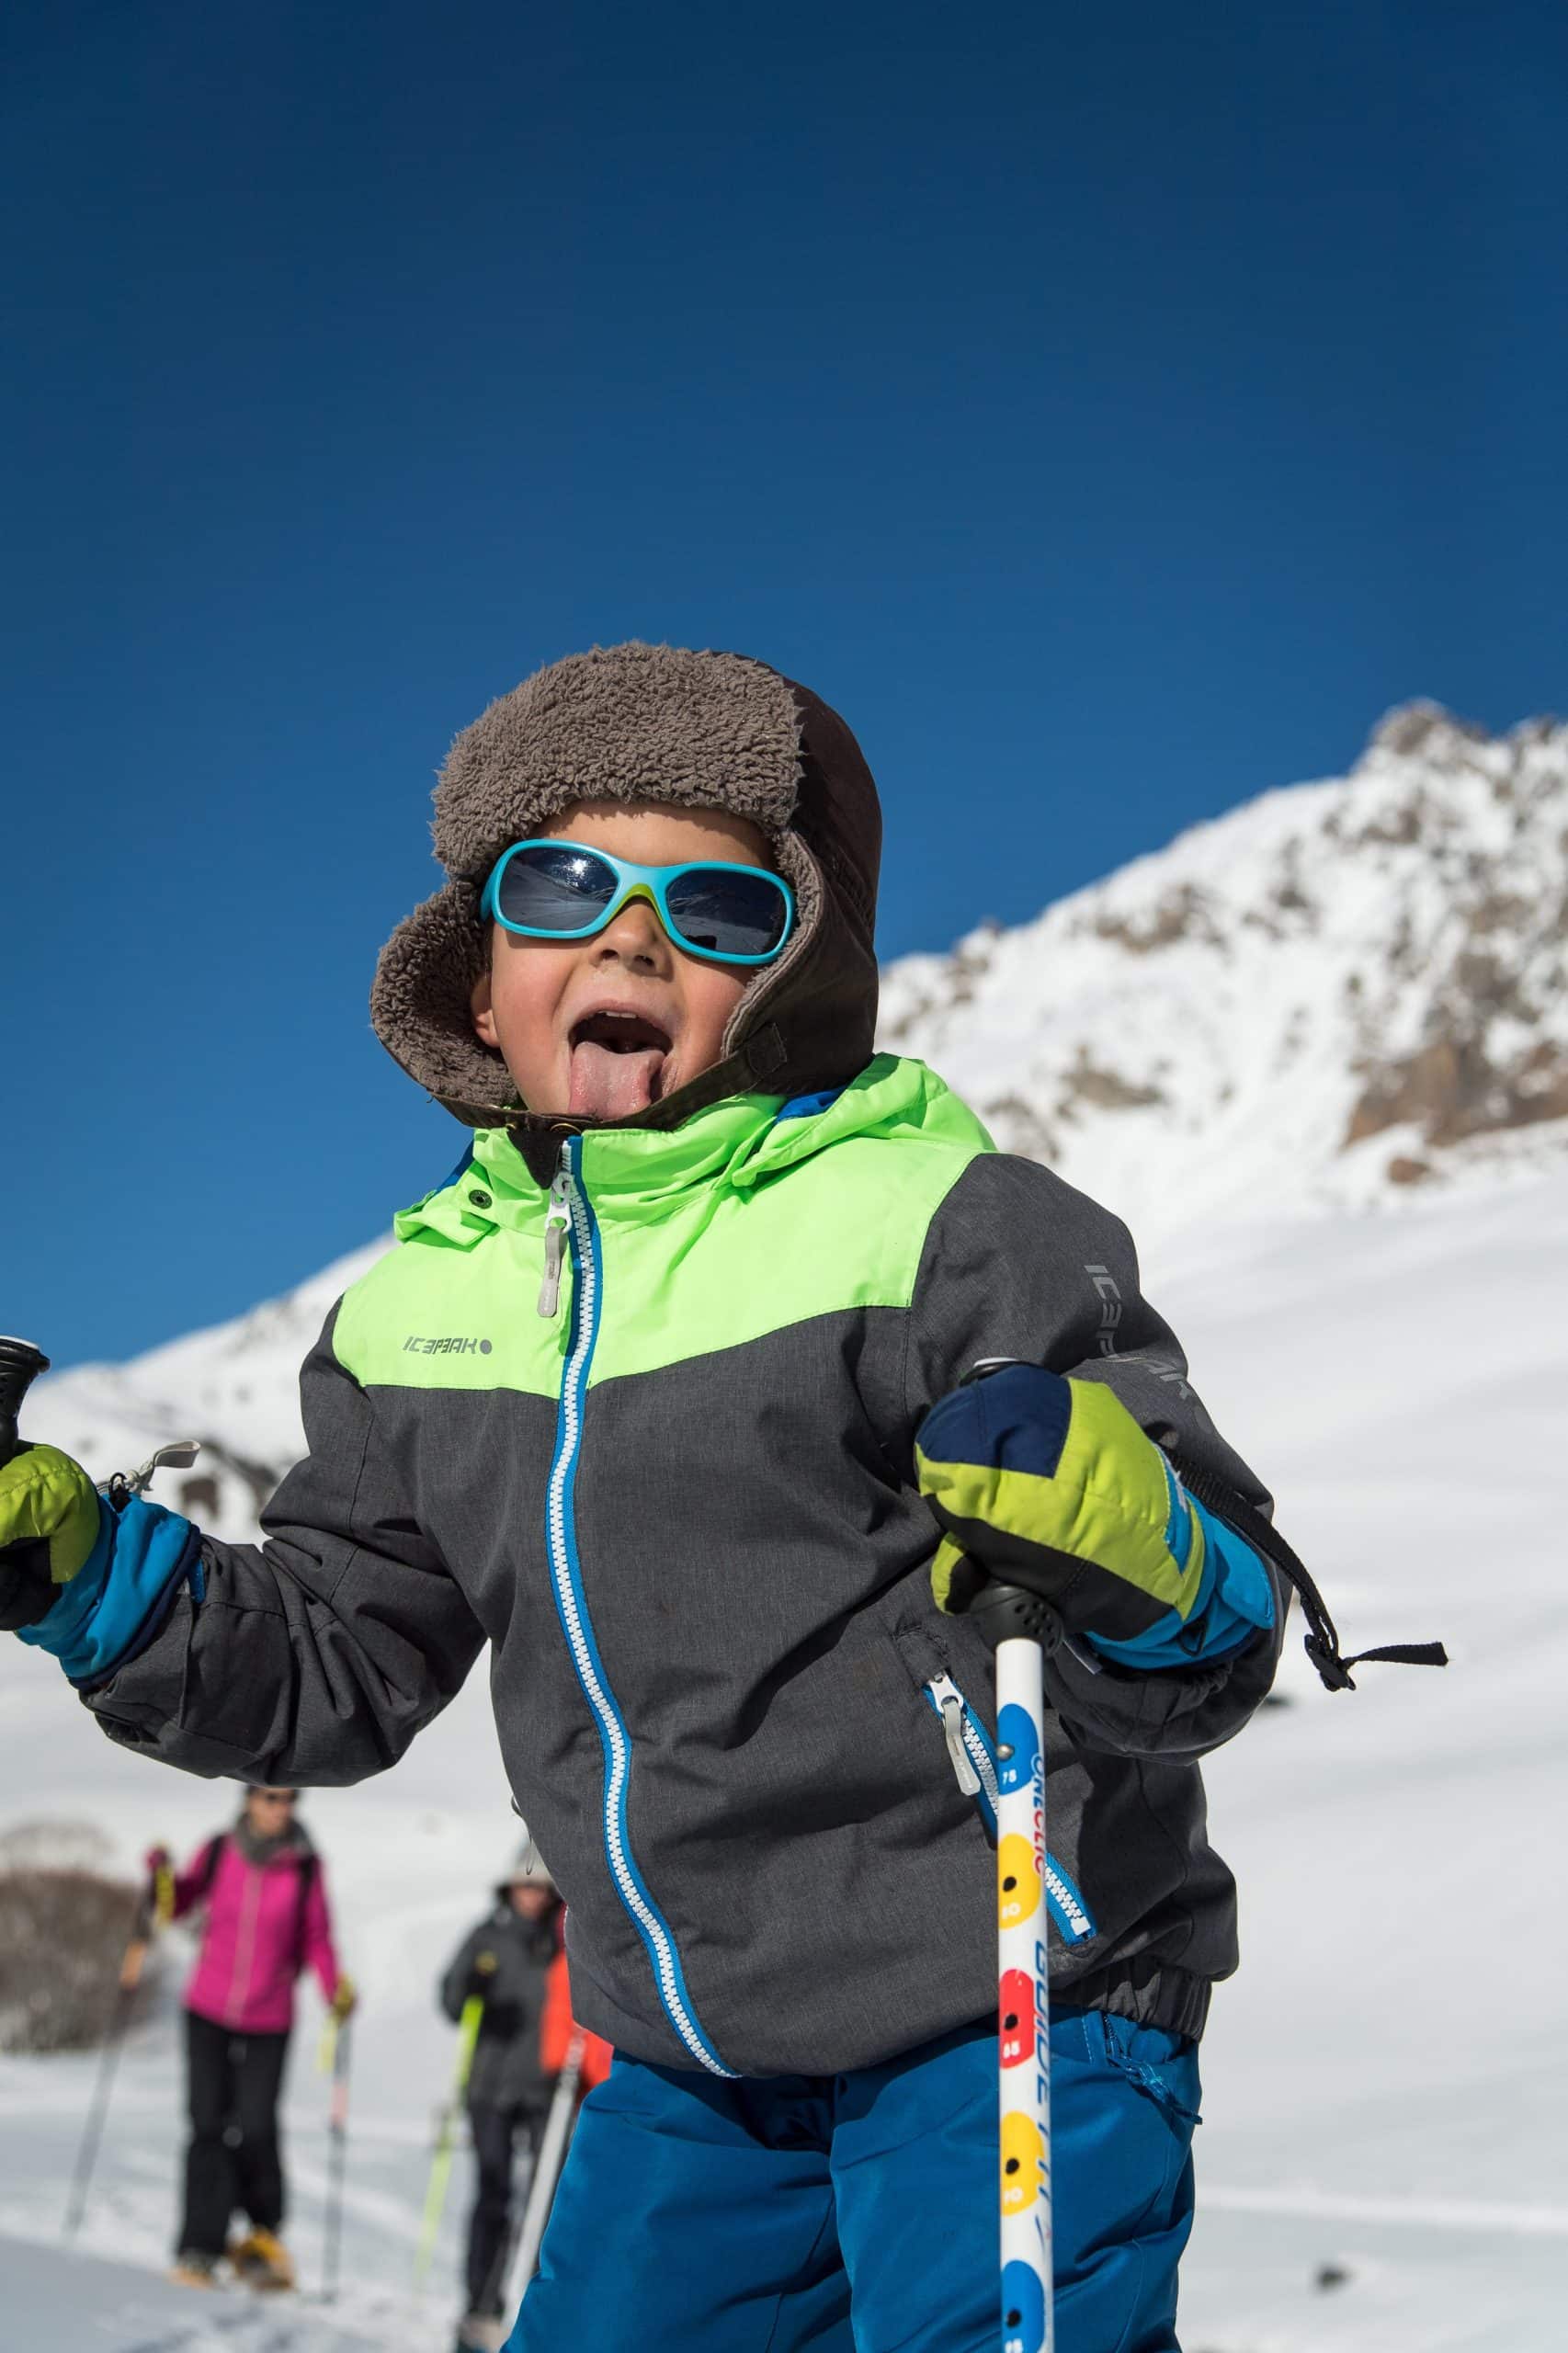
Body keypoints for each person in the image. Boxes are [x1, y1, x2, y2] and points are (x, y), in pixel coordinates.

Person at [2, 642, 1292, 2350]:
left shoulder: (941, 1223)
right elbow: (335, 1664)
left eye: (716, 910)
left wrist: (1135, 1549)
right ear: (477, 979)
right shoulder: (413, 1321)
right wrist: (88, 1571)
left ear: (787, 977)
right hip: (688, 2064)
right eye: (565, 885)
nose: (632, 938)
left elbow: (1219, 1627)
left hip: (1008, 2006)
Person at [150, 1786, 354, 2290]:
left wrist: (335, 1989)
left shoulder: (306, 1865)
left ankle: (263, 2239)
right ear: (248, 1800)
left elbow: (317, 1936)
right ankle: (200, 2245)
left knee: (258, 2125)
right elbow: (178, 1905)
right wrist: (160, 1878)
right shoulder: (220, 1849)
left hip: (269, 2015)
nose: (279, 1807)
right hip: (208, 2009)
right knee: (207, 2126)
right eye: (269, 1797)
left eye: (288, 1799)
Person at [438, 1843, 579, 2348]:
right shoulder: (487, 1936)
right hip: (490, 2090)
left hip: (547, 2091)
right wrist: (470, 1983)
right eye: (525, 1886)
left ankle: (532, 2306)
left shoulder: (567, 1941)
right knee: (493, 2194)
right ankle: (480, 2302)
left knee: (546, 2202)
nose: (532, 1897)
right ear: (510, 1887)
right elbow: (451, 2003)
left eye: (541, 1888)